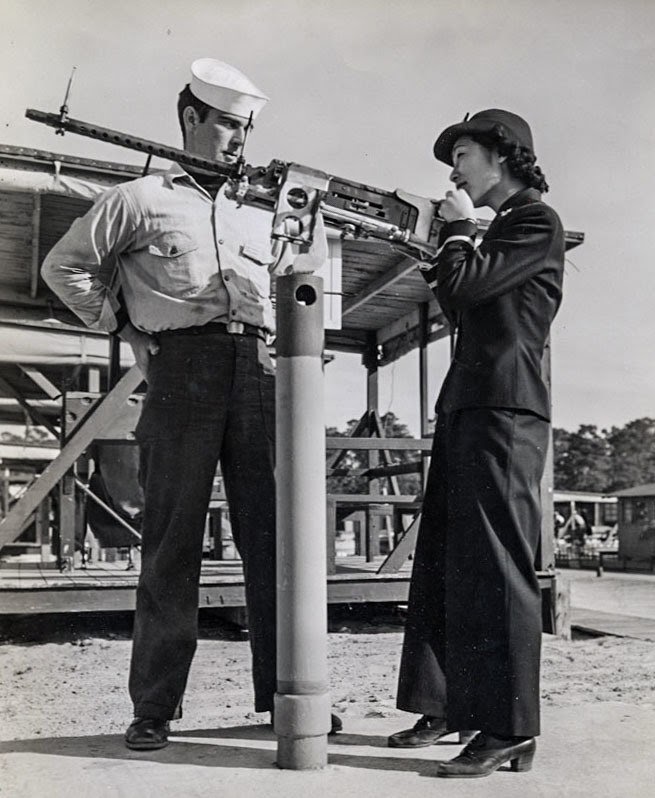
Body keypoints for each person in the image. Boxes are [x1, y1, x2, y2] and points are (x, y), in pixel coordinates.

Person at [41, 57, 339, 750]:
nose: (240, 139)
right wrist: (121, 326)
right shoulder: (139, 199)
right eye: (229, 125)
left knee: (276, 543)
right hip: (182, 371)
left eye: (247, 127)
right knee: (170, 544)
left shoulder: (262, 206)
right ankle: (154, 710)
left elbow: (308, 273)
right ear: (190, 120)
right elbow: (65, 265)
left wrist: (310, 226)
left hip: (260, 371)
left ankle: (286, 698)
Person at [387, 109, 565, 778]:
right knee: (441, 561)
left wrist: (457, 230)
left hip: (505, 411)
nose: (452, 170)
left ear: (502, 156)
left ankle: (509, 726)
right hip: (471, 406)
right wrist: (443, 247)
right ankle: (442, 707)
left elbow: (464, 285)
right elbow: (462, 300)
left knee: (497, 565)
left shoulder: (532, 221)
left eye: (461, 154)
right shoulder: (501, 231)